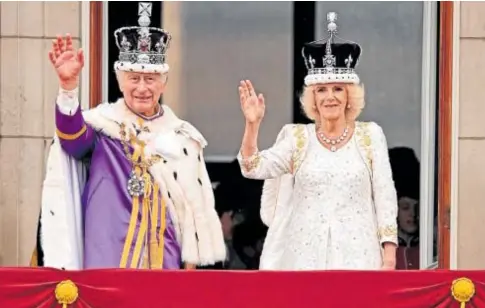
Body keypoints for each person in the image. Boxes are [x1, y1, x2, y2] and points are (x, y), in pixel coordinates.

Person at [31, 2, 226, 270]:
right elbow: (73, 140)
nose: (142, 87)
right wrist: (68, 89)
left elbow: (192, 216)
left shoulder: (183, 139)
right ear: (120, 82)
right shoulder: (104, 129)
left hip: (164, 263)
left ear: (163, 82)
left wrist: (189, 270)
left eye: (150, 79)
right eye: (134, 78)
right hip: (108, 259)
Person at [236, 12, 398, 270]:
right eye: (321, 90)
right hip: (303, 259)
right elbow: (252, 167)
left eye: (337, 89)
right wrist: (252, 125)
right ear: (312, 97)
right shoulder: (297, 138)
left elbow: (385, 197)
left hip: (359, 258)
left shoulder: (370, 136)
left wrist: (388, 255)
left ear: (349, 96)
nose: (329, 97)